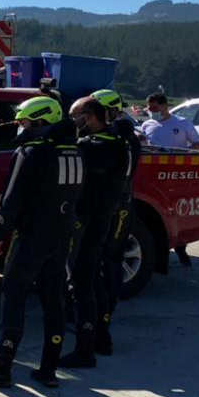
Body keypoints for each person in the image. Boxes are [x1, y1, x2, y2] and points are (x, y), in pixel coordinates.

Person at [0, 97, 85, 389]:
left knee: (13, 298)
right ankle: (48, 370)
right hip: (62, 235)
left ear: (41, 121)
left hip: (32, 236)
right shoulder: (76, 151)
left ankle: (2, 368)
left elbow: (12, 198)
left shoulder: (32, 152)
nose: (20, 128)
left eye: (25, 123)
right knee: (53, 301)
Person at [59, 96, 131, 369]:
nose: (72, 121)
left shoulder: (96, 147)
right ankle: (101, 337)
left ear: (88, 117)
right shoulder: (116, 141)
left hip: (89, 221)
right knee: (94, 278)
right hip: (102, 219)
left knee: (81, 281)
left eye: (74, 116)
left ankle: (84, 349)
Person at [90, 89, 141, 356]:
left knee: (110, 262)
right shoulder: (117, 132)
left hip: (120, 206)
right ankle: (95, 317)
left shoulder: (123, 134)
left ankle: (104, 323)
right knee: (98, 262)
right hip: (112, 204)